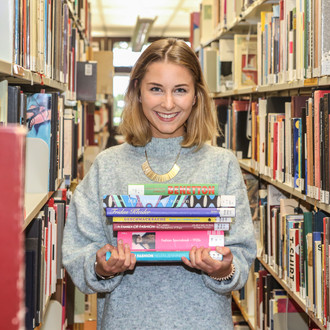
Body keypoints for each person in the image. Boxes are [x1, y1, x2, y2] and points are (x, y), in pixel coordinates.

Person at [62, 38, 257, 329]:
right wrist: (100, 267)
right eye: (156, 89)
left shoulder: (222, 164)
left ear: (196, 97)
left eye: (180, 90)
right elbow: (77, 250)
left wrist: (223, 270)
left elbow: (241, 255)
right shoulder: (108, 164)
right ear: (138, 92)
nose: (168, 103)